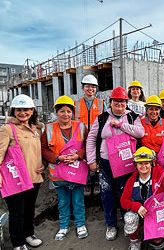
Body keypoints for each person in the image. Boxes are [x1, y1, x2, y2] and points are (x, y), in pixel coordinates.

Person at [86, 86, 145, 241]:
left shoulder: (133, 117)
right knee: (107, 195)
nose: (119, 105)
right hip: (106, 164)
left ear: (126, 103)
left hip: (126, 164)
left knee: (126, 194)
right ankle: (111, 224)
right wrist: (91, 160)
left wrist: (121, 125)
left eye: (122, 103)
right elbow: (91, 139)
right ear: (110, 102)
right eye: (116, 102)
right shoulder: (101, 118)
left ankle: (128, 222)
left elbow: (140, 133)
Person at [41, 95, 89, 241]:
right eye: (62, 111)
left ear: (72, 112)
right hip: (59, 172)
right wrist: (57, 158)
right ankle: (64, 226)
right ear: (56, 112)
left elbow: (88, 144)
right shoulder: (49, 129)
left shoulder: (80, 126)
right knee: (63, 201)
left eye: (68, 111)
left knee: (78, 200)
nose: (65, 114)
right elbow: (43, 148)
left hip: (76, 171)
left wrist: (79, 155)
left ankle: (80, 224)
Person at [0, 95, 44, 250]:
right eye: (19, 110)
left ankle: (28, 235)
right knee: (17, 212)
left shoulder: (36, 129)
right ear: (13, 111)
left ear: (32, 111)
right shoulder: (7, 129)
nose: (22, 113)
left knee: (29, 209)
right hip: (15, 179)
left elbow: (37, 151)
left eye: (26, 109)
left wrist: (42, 165)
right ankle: (18, 243)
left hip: (33, 177)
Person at [120, 146, 164, 250]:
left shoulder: (162, 175)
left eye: (146, 163)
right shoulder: (132, 180)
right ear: (136, 165)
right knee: (129, 218)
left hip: (157, 211)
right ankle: (135, 240)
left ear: (152, 163)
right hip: (141, 212)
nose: (144, 166)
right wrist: (136, 206)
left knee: (157, 243)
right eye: (140, 163)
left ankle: (157, 232)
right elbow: (123, 201)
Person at [74, 74, 107, 197]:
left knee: (98, 158)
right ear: (83, 88)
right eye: (88, 86)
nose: (90, 89)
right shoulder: (76, 104)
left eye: (93, 87)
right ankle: (87, 183)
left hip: (97, 137)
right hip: (81, 137)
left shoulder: (101, 103)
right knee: (83, 160)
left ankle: (97, 182)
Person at [140, 95, 164, 170]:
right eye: (151, 109)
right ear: (146, 110)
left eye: (156, 109)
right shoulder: (140, 123)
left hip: (163, 160)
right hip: (145, 160)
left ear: (160, 110)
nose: (154, 112)